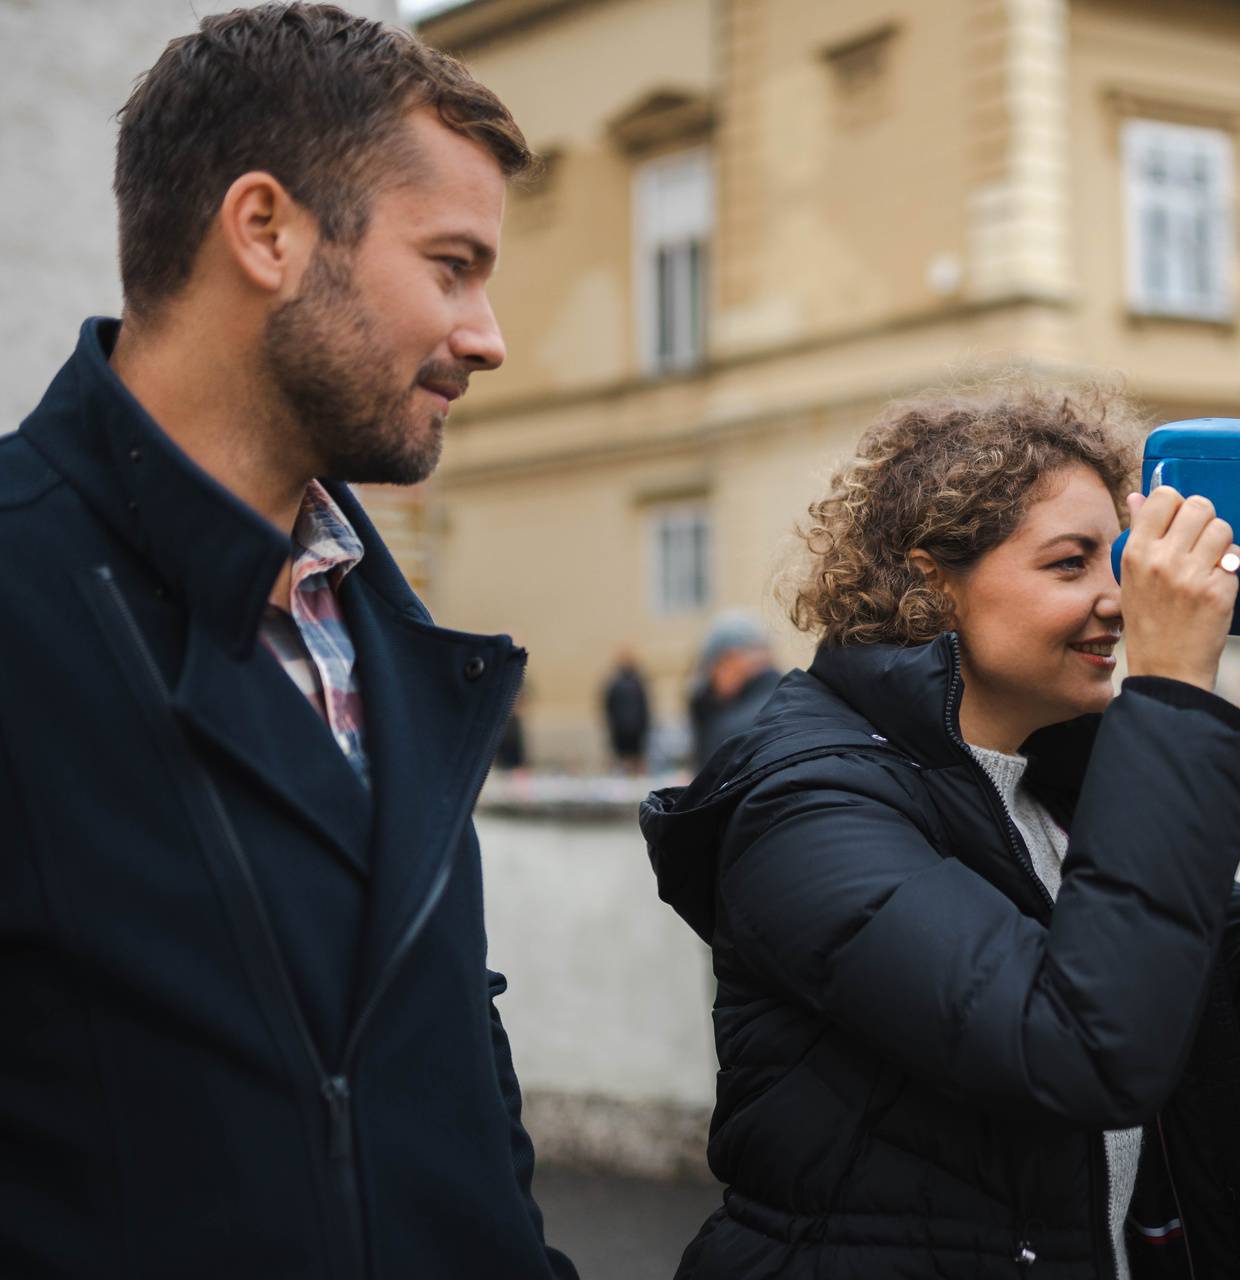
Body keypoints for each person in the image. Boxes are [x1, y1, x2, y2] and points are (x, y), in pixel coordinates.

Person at [0, 6, 575, 1277]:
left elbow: (450, 1055)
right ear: (266, 229)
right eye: (452, 264)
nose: (487, 336)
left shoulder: (397, 633)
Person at [642, 386, 1240, 1278]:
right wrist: (1175, 692)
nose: (1117, 599)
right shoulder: (805, 807)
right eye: (1071, 565)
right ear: (930, 582)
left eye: (1118, 561)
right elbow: (1077, 1048)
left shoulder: (1055, 786)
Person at [687, 611, 781, 768]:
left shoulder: (731, 732)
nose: (711, 680)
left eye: (712, 667)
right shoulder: (789, 700)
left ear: (730, 659)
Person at [603, 649, 653, 773]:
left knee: (635, 760)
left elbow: (644, 706)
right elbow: (609, 707)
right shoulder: (617, 684)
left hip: (635, 729)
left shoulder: (637, 682)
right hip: (623, 730)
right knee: (624, 760)